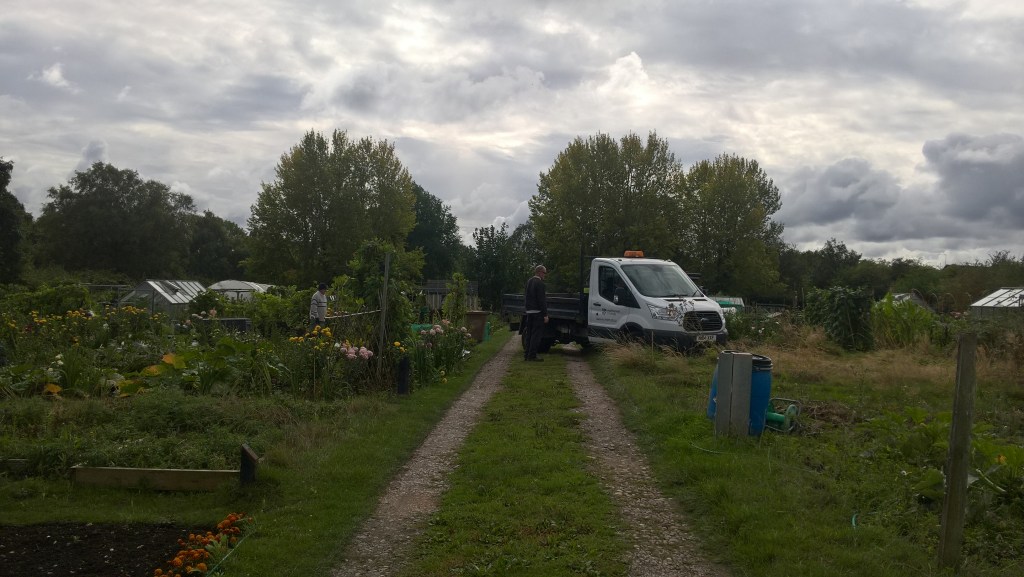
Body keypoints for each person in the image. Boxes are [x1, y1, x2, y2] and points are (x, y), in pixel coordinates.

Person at [523, 265, 548, 361]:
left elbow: (526, 296)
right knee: (536, 335)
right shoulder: (540, 284)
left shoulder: (529, 281)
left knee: (529, 334)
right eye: (544, 273)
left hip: (529, 311)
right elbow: (542, 300)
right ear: (539, 272)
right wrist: (545, 314)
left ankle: (526, 354)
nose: (545, 275)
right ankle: (532, 355)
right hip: (538, 312)